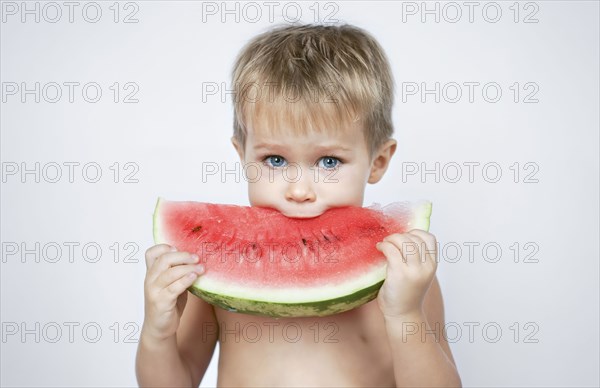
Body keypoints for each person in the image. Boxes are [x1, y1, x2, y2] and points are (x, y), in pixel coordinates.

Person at [136, 23, 461, 387]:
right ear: (242, 155)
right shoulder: (206, 271)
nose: (299, 190)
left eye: (329, 162)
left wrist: (405, 315)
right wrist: (158, 333)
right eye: (275, 160)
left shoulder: (404, 273)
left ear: (379, 161)